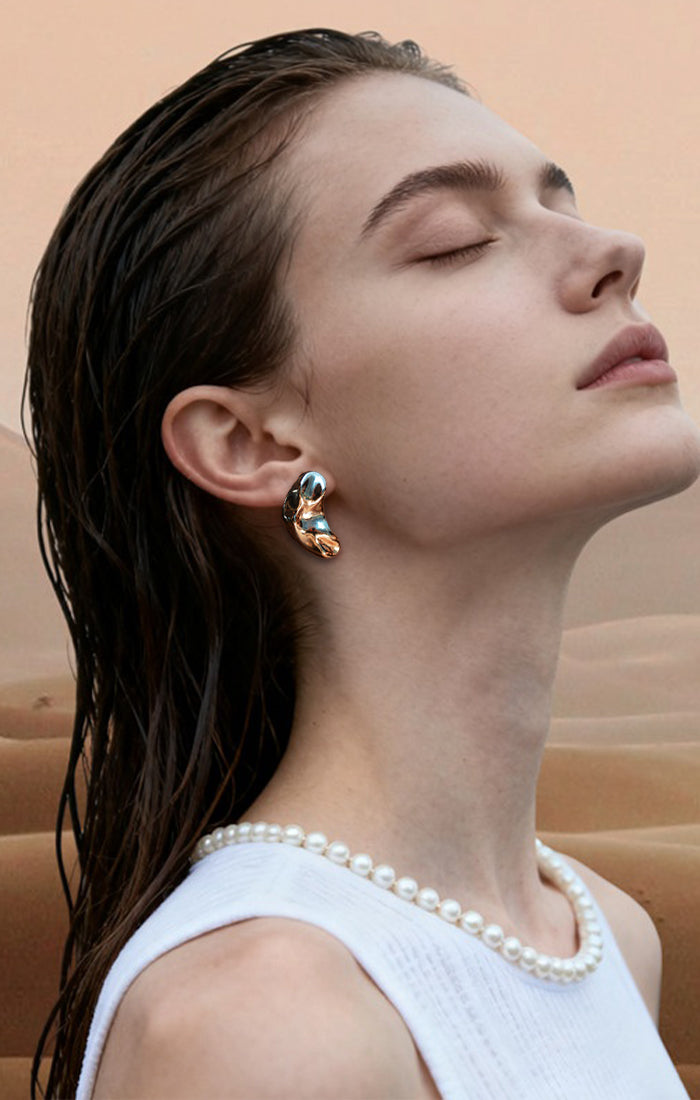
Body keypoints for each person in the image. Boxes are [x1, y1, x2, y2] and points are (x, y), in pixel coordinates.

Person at [25, 28, 699, 1100]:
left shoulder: (600, 933)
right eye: (453, 242)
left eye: (561, 204)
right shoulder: (263, 1023)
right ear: (253, 445)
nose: (613, 250)